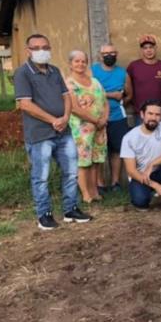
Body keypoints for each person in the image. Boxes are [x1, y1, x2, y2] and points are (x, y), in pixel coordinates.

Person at [14, 34, 89, 230]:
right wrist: (53, 120)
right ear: (28, 51)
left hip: (63, 132)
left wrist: (64, 117)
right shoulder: (23, 73)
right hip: (40, 135)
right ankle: (44, 215)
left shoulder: (54, 71)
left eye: (45, 47)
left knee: (71, 172)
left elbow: (66, 97)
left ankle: (70, 209)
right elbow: (25, 105)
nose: (42, 51)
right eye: (36, 47)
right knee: (41, 176)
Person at [120, 100, 161, 211]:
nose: (154, 118)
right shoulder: (129, 138)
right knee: (141, 203)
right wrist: (155, 185)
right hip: (141, 176)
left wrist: (153, 164)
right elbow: (131, 171)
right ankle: (154, 193)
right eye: (150, 114)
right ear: (142, 114)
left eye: (157, 115)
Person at [65, 49, 109, 205]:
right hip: (82, 130)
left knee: (96, 160)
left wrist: (104, 118)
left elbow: (105, 102)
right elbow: (75, 108)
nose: (80, 64)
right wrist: (95, 120)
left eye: (83, 61)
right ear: (70, 64)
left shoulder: (95, 81)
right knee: (84, 162)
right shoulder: (69, 83)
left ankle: (95, 191)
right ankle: (85, 194)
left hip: (99, 128)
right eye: (77, 61)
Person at [91, 43, 130, 193]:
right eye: (106, 53)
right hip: (97, 118)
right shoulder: (92, 71)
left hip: (117, 117)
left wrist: (120, 102)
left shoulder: (122, 73)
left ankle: (115, 183)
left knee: (116, 150)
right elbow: (88, 91)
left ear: (117, 54)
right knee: (99, 151)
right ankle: (100, 184)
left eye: (112, 53)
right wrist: (110, 95)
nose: (109, 56)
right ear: (100, 56)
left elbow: (129, 94)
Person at [127, 34, 161, 120]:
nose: (148, 50)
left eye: (151, 47)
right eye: (145, 48)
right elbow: (127, 86)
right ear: (141, 50)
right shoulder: (133, 66)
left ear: (155, 48)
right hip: (141, 114)